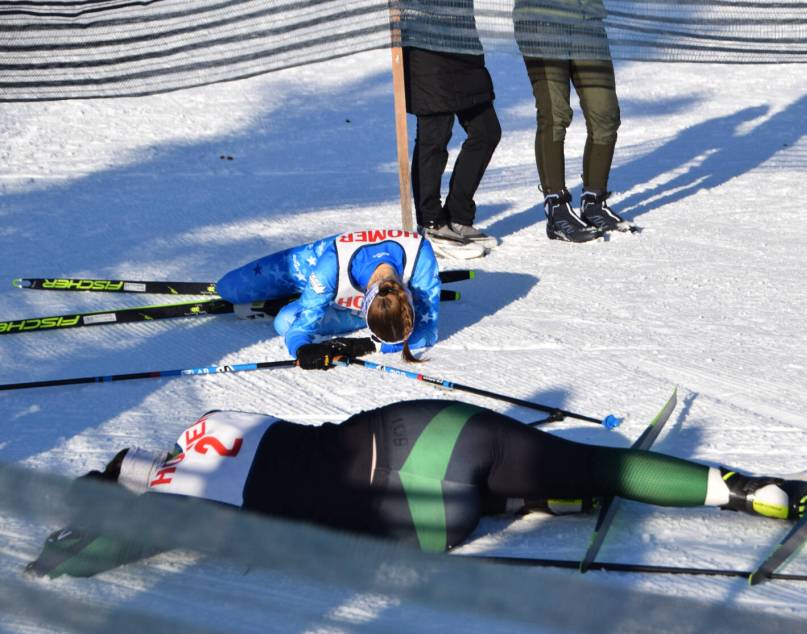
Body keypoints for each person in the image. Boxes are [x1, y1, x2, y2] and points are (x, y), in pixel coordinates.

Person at [26, 399, 807, 579]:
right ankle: (753, 492)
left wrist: (54, 559)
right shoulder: (218, 416)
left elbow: (95, 553)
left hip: (414, 518)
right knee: (586, 461)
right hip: (424, 430)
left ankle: (522, 503)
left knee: (435, 514)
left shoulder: (176, 500)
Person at [215, 228, 440, 364]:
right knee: (229, 289)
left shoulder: (423, 258)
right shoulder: (329, 268)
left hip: (339, 289)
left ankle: (312, 299)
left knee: (284, 321)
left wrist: (368, 345)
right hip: (316, 263)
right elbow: (302, 331)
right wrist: (301, 349)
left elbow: (429, 332)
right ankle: (305, 294)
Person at [514, 0, 630, 242]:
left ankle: (594, 202)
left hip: (586, 21)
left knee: (605, 114)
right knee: (555, 114)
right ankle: (556, 207)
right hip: (540, 22)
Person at [402, 1, 502, 258]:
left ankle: (458, 215)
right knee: (434, 138)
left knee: (487, 131)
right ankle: (432, 223)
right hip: (425, 46)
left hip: (462, 41)